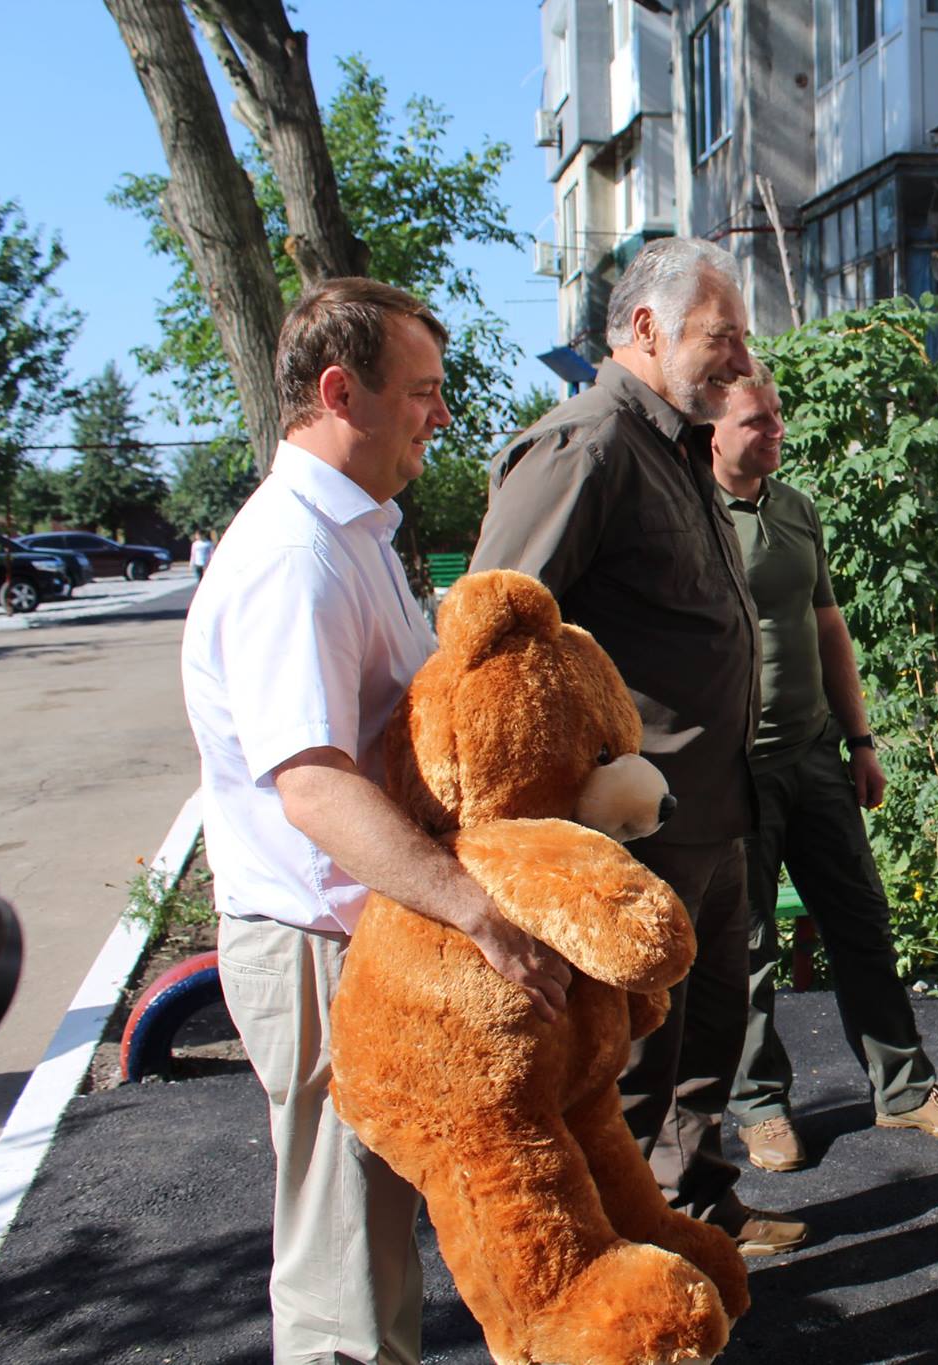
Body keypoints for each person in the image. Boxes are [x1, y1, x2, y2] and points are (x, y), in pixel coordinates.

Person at [182, 277, 572, 1364]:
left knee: (377, 1243)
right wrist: (478, 913)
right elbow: (311, 783)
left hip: (364, 933)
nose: (440, 413)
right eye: (421, 391)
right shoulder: (294, 556)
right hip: (317, 947)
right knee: (343, 1276)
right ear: (338, 392)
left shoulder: (351, 531)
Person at [469, 238, 808, 1256]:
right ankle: (612, 1264)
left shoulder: (672, 444)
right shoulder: (588, 445)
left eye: (742, 336)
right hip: (632, 832)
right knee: (626, 1062)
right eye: (722, 334)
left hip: (712, 809)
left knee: (707, 1038)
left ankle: (695, 1212)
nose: (740, 357)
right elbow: (492, 640)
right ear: (648, 328)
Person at [710, 361, 938, 1174]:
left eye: (777, 415)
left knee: (862, 921)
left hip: (815, 753)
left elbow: (827, 624)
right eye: (757, 420)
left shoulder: (794, 507)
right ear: (712, 430)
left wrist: (860, 740)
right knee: (747, 946)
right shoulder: (691, 514)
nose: (776, 430)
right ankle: (760, 1106)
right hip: (734, 770)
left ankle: (903, 1088)